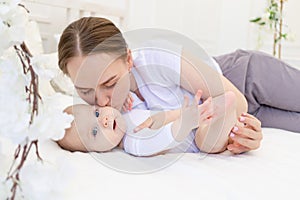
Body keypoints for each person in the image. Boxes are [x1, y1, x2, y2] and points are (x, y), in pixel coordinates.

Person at [57, 17, 270, 155]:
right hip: (222, 112)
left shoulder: (157, 59)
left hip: (244, 77)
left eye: (110, 83)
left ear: (129, 59)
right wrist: (242, 135)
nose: (102, 102)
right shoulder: (125, 112)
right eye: (85, 91)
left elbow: (239, 102)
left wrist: (241, 128)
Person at [58, 90, 237, 156]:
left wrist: (129, 97)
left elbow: (141, 109)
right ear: (95, 150)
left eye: (97, 112)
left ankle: (225, 110)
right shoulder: (134, 144)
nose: (103, 120)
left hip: (196, 119)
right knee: (207, 137)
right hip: (199, 141)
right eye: (95, 132)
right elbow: (166, 138)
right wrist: (185, 123)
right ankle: (226, 111)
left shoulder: (125, 115)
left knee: (216, 110)